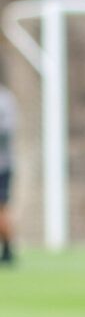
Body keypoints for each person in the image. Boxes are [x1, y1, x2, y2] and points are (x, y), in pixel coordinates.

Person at [0, 79, 17, 265]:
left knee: (2, 208)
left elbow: (7, 130)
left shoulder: (4, 100)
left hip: (2, 166)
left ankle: (7, 249)